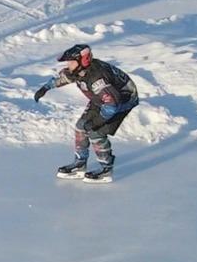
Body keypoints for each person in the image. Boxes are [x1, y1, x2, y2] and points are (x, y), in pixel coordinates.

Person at [36, 43, 139, 183]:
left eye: (71, 62)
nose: (68, 65)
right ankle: (79, 164)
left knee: (96, 131)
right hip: (101, 98)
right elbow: (64, 78)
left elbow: (112, 105)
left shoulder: (97, 78)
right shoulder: (79, 70)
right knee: (81, 127)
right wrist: (45, 88)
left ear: (83, 61)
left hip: (122, 101)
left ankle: (106, 169)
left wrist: (97, 122)